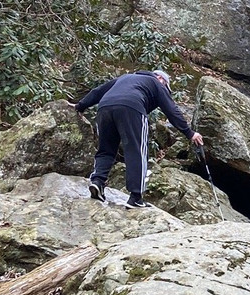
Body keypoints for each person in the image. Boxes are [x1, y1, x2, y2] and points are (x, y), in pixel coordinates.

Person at [73, 69, 204, 209]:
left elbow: (98, 92)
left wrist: (79, 106)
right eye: (166, 87)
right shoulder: (156, 83)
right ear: (161, 78)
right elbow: (172, 110)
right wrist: (190, 133)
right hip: (132, 107)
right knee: (137, 151)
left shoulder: (125, 77)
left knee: (106, 149)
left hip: (104, 107)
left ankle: (98, 182)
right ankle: (135, 197)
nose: (165, 90)